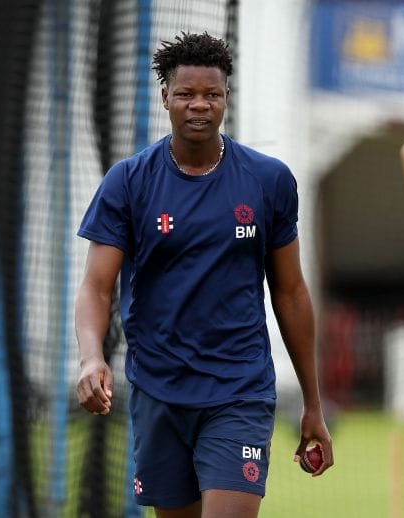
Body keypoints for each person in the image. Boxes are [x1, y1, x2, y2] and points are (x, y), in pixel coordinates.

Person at [74, 32, 333, 518]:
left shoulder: (268, 180)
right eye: (187, 94)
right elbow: (95, 286)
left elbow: (292, 294)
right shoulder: (129, 182)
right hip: (159, 389)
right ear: (165, 98)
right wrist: (91, 359)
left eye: (212, 95)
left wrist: (313, 404)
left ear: (226, 99)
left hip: (239, 389)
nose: (200, 105)